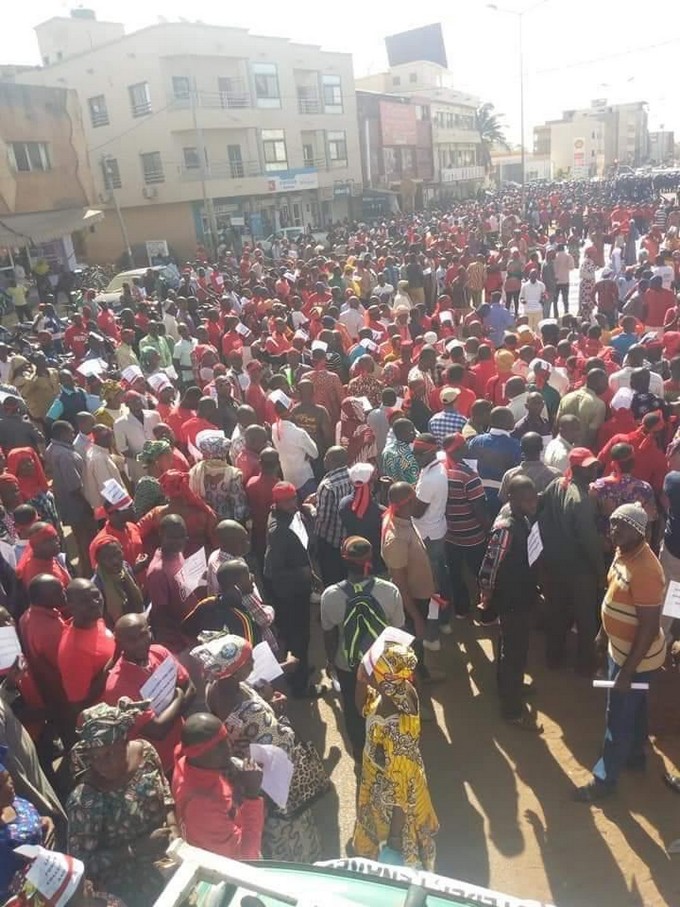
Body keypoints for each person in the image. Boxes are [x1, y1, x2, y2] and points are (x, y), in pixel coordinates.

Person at [195, 633, 321, 862]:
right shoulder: (249, 710)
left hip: (247, 767)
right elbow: (281, 741)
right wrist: (276, 713)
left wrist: (267, 704)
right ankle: (299, 865)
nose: (254, 664)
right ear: (236, 669)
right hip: (270, 778)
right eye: (249, 660)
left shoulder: (214, 688)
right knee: (288, 830)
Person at [574, 503, 666, 802]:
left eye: (621, 526)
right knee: (635, 709)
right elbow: (613, 597)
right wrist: (603, 635)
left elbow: (650, 627)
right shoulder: (622, 552)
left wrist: (627, 671)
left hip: (635, 659)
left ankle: (604, 781)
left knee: (617, 717)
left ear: (638, 530)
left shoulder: (647, 569)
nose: (614, 531)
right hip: (619, 650)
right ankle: (635, 757)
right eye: (612, 524)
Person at [66, 699, 178, 906]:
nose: (101, 764)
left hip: (169, 861)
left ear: (124, 742)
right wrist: (135, 849)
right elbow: (82, 865)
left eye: (108, 754)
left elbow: (166, 794)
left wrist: (174, 831)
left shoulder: (146, 752)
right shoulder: (85, 800)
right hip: (128, 889)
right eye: (94, 757)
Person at [352, 641, 438, 870]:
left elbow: (403, 788)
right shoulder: (394, 692)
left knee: (397, 867)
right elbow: (362, 707)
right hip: (377, 788)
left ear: (384, 680)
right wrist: (362, 681)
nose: (367, 671)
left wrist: (394, 840)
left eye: (372, 670)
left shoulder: (396, 728)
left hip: (393, 810)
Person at [321, 536, 404, 760]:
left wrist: (331, 662)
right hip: (381, 664)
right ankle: (386, 747)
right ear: (371, 560)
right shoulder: (390, 591)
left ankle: (360, 750)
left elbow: (329, 634)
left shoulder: (330, 596)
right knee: (384, 705)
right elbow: (398, 630)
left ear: (343, 560)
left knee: (353, 707)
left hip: (348, 665)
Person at [479, 475, 541, 731]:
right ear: (512, 499)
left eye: (534, 498)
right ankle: (512, 709)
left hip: (522, 593)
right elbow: (490, 566)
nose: (532, 503)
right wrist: (486, 595)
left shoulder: (522, 518)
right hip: (511, 597)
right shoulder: (505, 528)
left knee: (512, 644)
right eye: (526, 500)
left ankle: (507, 687)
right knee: (513, 652)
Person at [538, 449, 605, 674]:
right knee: (585, 618)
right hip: (579, 569)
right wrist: (600, 571)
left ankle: (553, 658)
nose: (595, 470)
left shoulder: (556, 484)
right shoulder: (582, 500)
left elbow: (540, 509)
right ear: (577, 469)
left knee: (556, 612)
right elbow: (589, 541)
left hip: (554, 563)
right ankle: (584, 665)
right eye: (590, 468)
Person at [103, 613, 195, 775]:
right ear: (119, 643)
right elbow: (157, 730)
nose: (139, 643)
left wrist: (168, 714)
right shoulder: (117, 685)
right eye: (131, 640)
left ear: (150, 631)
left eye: (143, 635)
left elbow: (192, 689)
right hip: (157, 765)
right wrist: (179, 695)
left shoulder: (159, 652)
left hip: (185, 747)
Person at [172, 712, 264, 858]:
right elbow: (246, 857)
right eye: (220, 745)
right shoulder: (201, 807)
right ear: (200, 754)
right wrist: (252, 796)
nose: (229, 748)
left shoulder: (188, 762)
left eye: (226, 739)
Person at [263, 482, 319, 698]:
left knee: (300, 637)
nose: (293, 503)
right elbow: (271, 571)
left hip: (299, 588)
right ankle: (300, 686)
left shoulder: (291, 515)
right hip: (290, 595)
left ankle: (300, 668)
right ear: (277, 502)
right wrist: (301, 574)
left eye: (294, 498)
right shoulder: (279, 530)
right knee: (299, 638)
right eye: (287, 500)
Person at [441, 433, 490, 619]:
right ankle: (485, 610)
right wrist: (487, 530)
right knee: (480, 573)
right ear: (460, 449)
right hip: (472, 535)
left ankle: (461, 610)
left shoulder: (441, 470)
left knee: (455, 573)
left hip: (450, 534)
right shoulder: (469, 476)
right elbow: (478, 508)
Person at [0, 748, 54, 901]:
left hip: (47, 880)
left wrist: (43, 821)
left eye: (7, 777)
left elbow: (27, 823)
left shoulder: (17, 802)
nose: (9, 786)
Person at [412, 434, 451, 641]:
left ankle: (433, 635)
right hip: (436, 530)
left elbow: (417, 512)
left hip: (427, 535)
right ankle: (444, 621)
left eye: (419, 454)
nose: (416, 457)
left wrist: (399, 497)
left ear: (430, 452)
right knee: (440, 579)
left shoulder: (430, 478)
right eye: (414, 453)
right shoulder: (435, 467)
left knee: (431, 586)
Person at [145, 514, 202, 654]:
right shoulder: (158, 572)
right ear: (161, 535)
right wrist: (189, 634)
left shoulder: (177, 553)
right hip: (178, 643)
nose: (178, 541)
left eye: (182, 536)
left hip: (192, 631)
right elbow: (161, 615)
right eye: (172, 537)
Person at [44, 421, 95, 575]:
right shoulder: (65, 455)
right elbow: (75, 486)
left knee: (80, 539)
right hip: (77, 503)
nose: (73, 435)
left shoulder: (51, 449)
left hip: (65, 501)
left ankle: (86, 568)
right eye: (71, 432)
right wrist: (88, 506)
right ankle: (89, 571)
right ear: (62, 434)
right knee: (86, 539)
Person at [57, 579, 115, 713]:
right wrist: (114, 662)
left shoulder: (95, 620)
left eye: (96, 595)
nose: (95, 603)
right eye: (84, 601)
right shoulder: (72, 652)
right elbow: (79, 705)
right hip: (109, 716)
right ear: (70, 606)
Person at [138, 469, 217, 557]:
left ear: (165, 490)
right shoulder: (203, 513)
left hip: (167, 561)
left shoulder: (156, 513)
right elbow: (216, 541)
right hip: (198, 563)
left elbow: (137, 533)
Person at [467, 406, 521, 518]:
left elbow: (469, 467)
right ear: (507, 423)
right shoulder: (515, 445)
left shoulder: (476, 441)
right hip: (503, 497)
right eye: (512, 419)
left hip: (478, 495)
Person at [188, 431, 247, 522]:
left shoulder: (195, 471)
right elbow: (238, 505)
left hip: (202, 521)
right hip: (224, 523)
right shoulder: (233, 474)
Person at [314, 446, 352, 587]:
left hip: (331, 542)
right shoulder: (354, 475)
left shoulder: (327, 485)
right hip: (350, 537)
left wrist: (310, 509)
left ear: (332, 461)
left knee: (332, 579)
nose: (323, 460)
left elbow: (322, 520)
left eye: (326, 458)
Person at [271, 394, 318, 498]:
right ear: (290, 411)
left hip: (288, 477)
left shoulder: (274, 428)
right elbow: (315, 453)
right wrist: (306, 453)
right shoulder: (299, 433)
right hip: (304, 478)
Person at [90, 536, 144, 627]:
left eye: (117, 554)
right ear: (98, 560)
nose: (115, 561)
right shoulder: (96, 585)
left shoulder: (125, 567)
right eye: (107, 558)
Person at [112, 392, 160, 485]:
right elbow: (122, 448)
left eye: (138, 399)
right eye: (133, 401)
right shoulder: (119, 423)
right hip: (138, 466)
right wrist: (141, 457)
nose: (137, 402)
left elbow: (161, 434)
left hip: (158, 460)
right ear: (126, 404)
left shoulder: (154, 415)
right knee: (145, 491)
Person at [6, 449, 59, 532]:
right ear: (15, 466)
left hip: (54, 533)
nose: (29, 465)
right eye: (23, 463)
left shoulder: (41, 484)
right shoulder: (14, 492)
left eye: (30, 460)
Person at [499, 432, 561, 502]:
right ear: (542, 448)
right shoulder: (556, 475)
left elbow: (503, 499)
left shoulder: (510, 475)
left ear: (521, 448)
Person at [245, 448, 281, 569]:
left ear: (260, 464)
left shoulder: (251, 483)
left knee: (262, 564)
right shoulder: (279, 488)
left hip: (257, 534)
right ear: (278, 465)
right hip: (274, 535)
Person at [556, 369, 608, 450]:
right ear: (597, 383)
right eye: (605, 382)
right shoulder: (599, 405)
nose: (606, 386)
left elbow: (557, 424)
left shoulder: (566, 398)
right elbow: (591, 435)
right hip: (581, 453)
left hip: (561, 449)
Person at [82, 427, 126, 513]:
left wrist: (122, 460)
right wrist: (124, 506)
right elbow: (108, 486)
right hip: (111, 509)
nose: (112, 440)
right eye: (111, 437)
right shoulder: (99, 459)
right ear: (104, 439)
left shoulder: (95, 451)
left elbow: (109, 458)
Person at [16, 524, 70, 591]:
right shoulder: (37, 577)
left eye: (56, 537)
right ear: (36, 546)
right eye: (49, 540)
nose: (57, 542)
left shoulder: (50, 559)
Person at [336, 398, 378, 467]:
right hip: (362, 471)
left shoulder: (339, 425)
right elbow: (372, 456)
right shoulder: (366, 431)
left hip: (344, 470)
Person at [382, 418, 418, 485]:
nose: (415, 433)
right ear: (402, 434)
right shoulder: (408, 457)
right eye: (411, 431)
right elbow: (413, 483)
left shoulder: (386, 450)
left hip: (391, 490)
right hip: (405, 492)